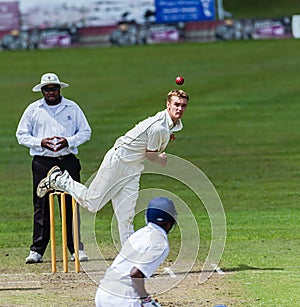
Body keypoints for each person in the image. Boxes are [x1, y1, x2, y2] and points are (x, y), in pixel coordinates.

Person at [36, 89, 189, 245]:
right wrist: (161, 159)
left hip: (133, 168)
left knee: (126, 217)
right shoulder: (159, 128)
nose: (179, 109)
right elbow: (151, 155)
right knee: (92, 203)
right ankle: (60, 179)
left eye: (183, 106)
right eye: (176, 104)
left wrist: (165, 137)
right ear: (168, 104)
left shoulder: (169, 125)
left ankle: (130, 257)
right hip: (118, 162)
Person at [16, 73, 92, 264]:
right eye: (47, 89)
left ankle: (75, 248)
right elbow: (21, 135)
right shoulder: (34, 109)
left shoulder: (72, 107)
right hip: (42, 161)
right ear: (42, 91)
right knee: (41, 205)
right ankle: (37, 250)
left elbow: (85, 132)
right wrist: (40, 142)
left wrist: (69, 141)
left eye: (54, 88)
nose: (51, 92)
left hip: (67, 160)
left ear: (59, 89)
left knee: (71, 203)